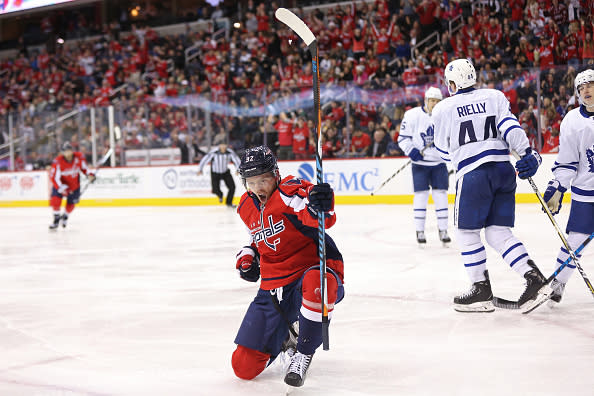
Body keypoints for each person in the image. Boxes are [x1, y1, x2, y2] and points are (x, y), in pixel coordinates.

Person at [432, 58, 550, 312]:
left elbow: (441, 149)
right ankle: (534, 279)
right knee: (498, 232)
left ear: (452, 82)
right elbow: (509, 127)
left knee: (466, 233)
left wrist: (459, 158)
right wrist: (527, 154)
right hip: (503, 169)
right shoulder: (494, 96)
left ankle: (480, 290)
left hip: (473, 175)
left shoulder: (443, 108)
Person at [231, 145, 344, 388]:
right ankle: (287, 338)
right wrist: (249, 253)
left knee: (319, 281)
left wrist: (321, 204)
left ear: (276, 174)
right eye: (251, 182)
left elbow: (318, 215)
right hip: (273, 287)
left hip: (309, 274)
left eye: (263, 179)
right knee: (243, 367)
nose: (258, 187)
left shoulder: (290, 192)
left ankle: (303, 352)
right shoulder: (246, 205)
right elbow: (260, 234)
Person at [542, 69, 594, 304]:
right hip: (585, 193)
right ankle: (558, 282)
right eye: (581, 87)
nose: (586, 90)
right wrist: (558, 186)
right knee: (575, 242)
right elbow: (567, 161)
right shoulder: (572, 121)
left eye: (590, 85)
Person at [398, 87, 451, 245]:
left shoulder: (445, 117)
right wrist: (411, 150)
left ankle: (443, 230)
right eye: (432, 100)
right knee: (421, 196)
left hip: (439, 164)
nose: (434, 104)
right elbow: (403, 138)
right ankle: (420, 231)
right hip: (419, 164)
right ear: (426, 100)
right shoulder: (412, 115)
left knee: (440, 196)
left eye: (437, 101)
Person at [48, 142, 95, 229]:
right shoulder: (58, 161)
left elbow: (84, 168)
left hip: (74, 186)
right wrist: (62, 188)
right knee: (55, 200)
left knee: (71, 204)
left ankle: (65, 216)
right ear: (62, 152)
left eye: (69, 151)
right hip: (61, 185)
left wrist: (90, 174)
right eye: (65, 151)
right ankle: (56, 219)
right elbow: (54, 178)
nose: (68, 153)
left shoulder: (78, 157)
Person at [197, 141, 241, 208]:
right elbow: (205, 159)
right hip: (215, 173)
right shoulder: (214, 152)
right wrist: (200, 169)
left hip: (225, 172)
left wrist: (238, 169)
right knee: (215, 189)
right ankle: (220, 195)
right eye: (221, 145)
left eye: (224, 145)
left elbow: (236, 160)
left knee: (232, 187)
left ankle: (229, 203)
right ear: (219, 146)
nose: (223, 147)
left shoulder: (230, 152)